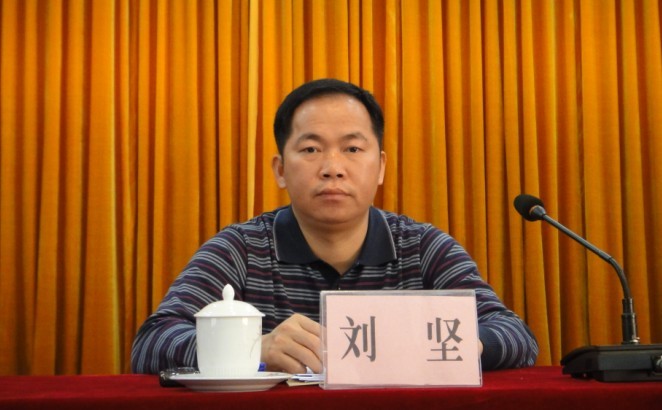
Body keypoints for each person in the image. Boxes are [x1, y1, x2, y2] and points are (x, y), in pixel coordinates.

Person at [131, 78, 538, 374]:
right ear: (280, 170)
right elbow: (152, 342)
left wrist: (449, 345)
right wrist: (254, 349)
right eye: (311, 149)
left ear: (380, 166)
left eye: (352, 148)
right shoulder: (240, 248)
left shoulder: (423, 247)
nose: (332, 168)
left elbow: (514, 335)